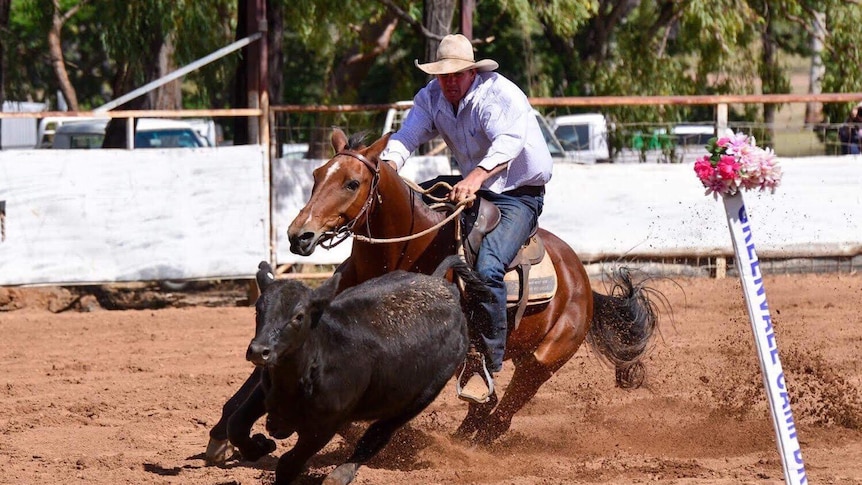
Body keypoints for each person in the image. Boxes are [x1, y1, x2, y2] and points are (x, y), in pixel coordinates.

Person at [379, 34, 553, 404]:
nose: (450, 81)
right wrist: (388, 167)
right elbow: (407, 135)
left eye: (457, 74)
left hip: (517, 193)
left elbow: (508, 142)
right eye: (443, 75)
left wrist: (474, 178)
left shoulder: (499, 96)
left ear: (473, 71)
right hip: (474, 183)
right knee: (410, 212)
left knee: (489, 266)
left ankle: (486, 363)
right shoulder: (431, 97)